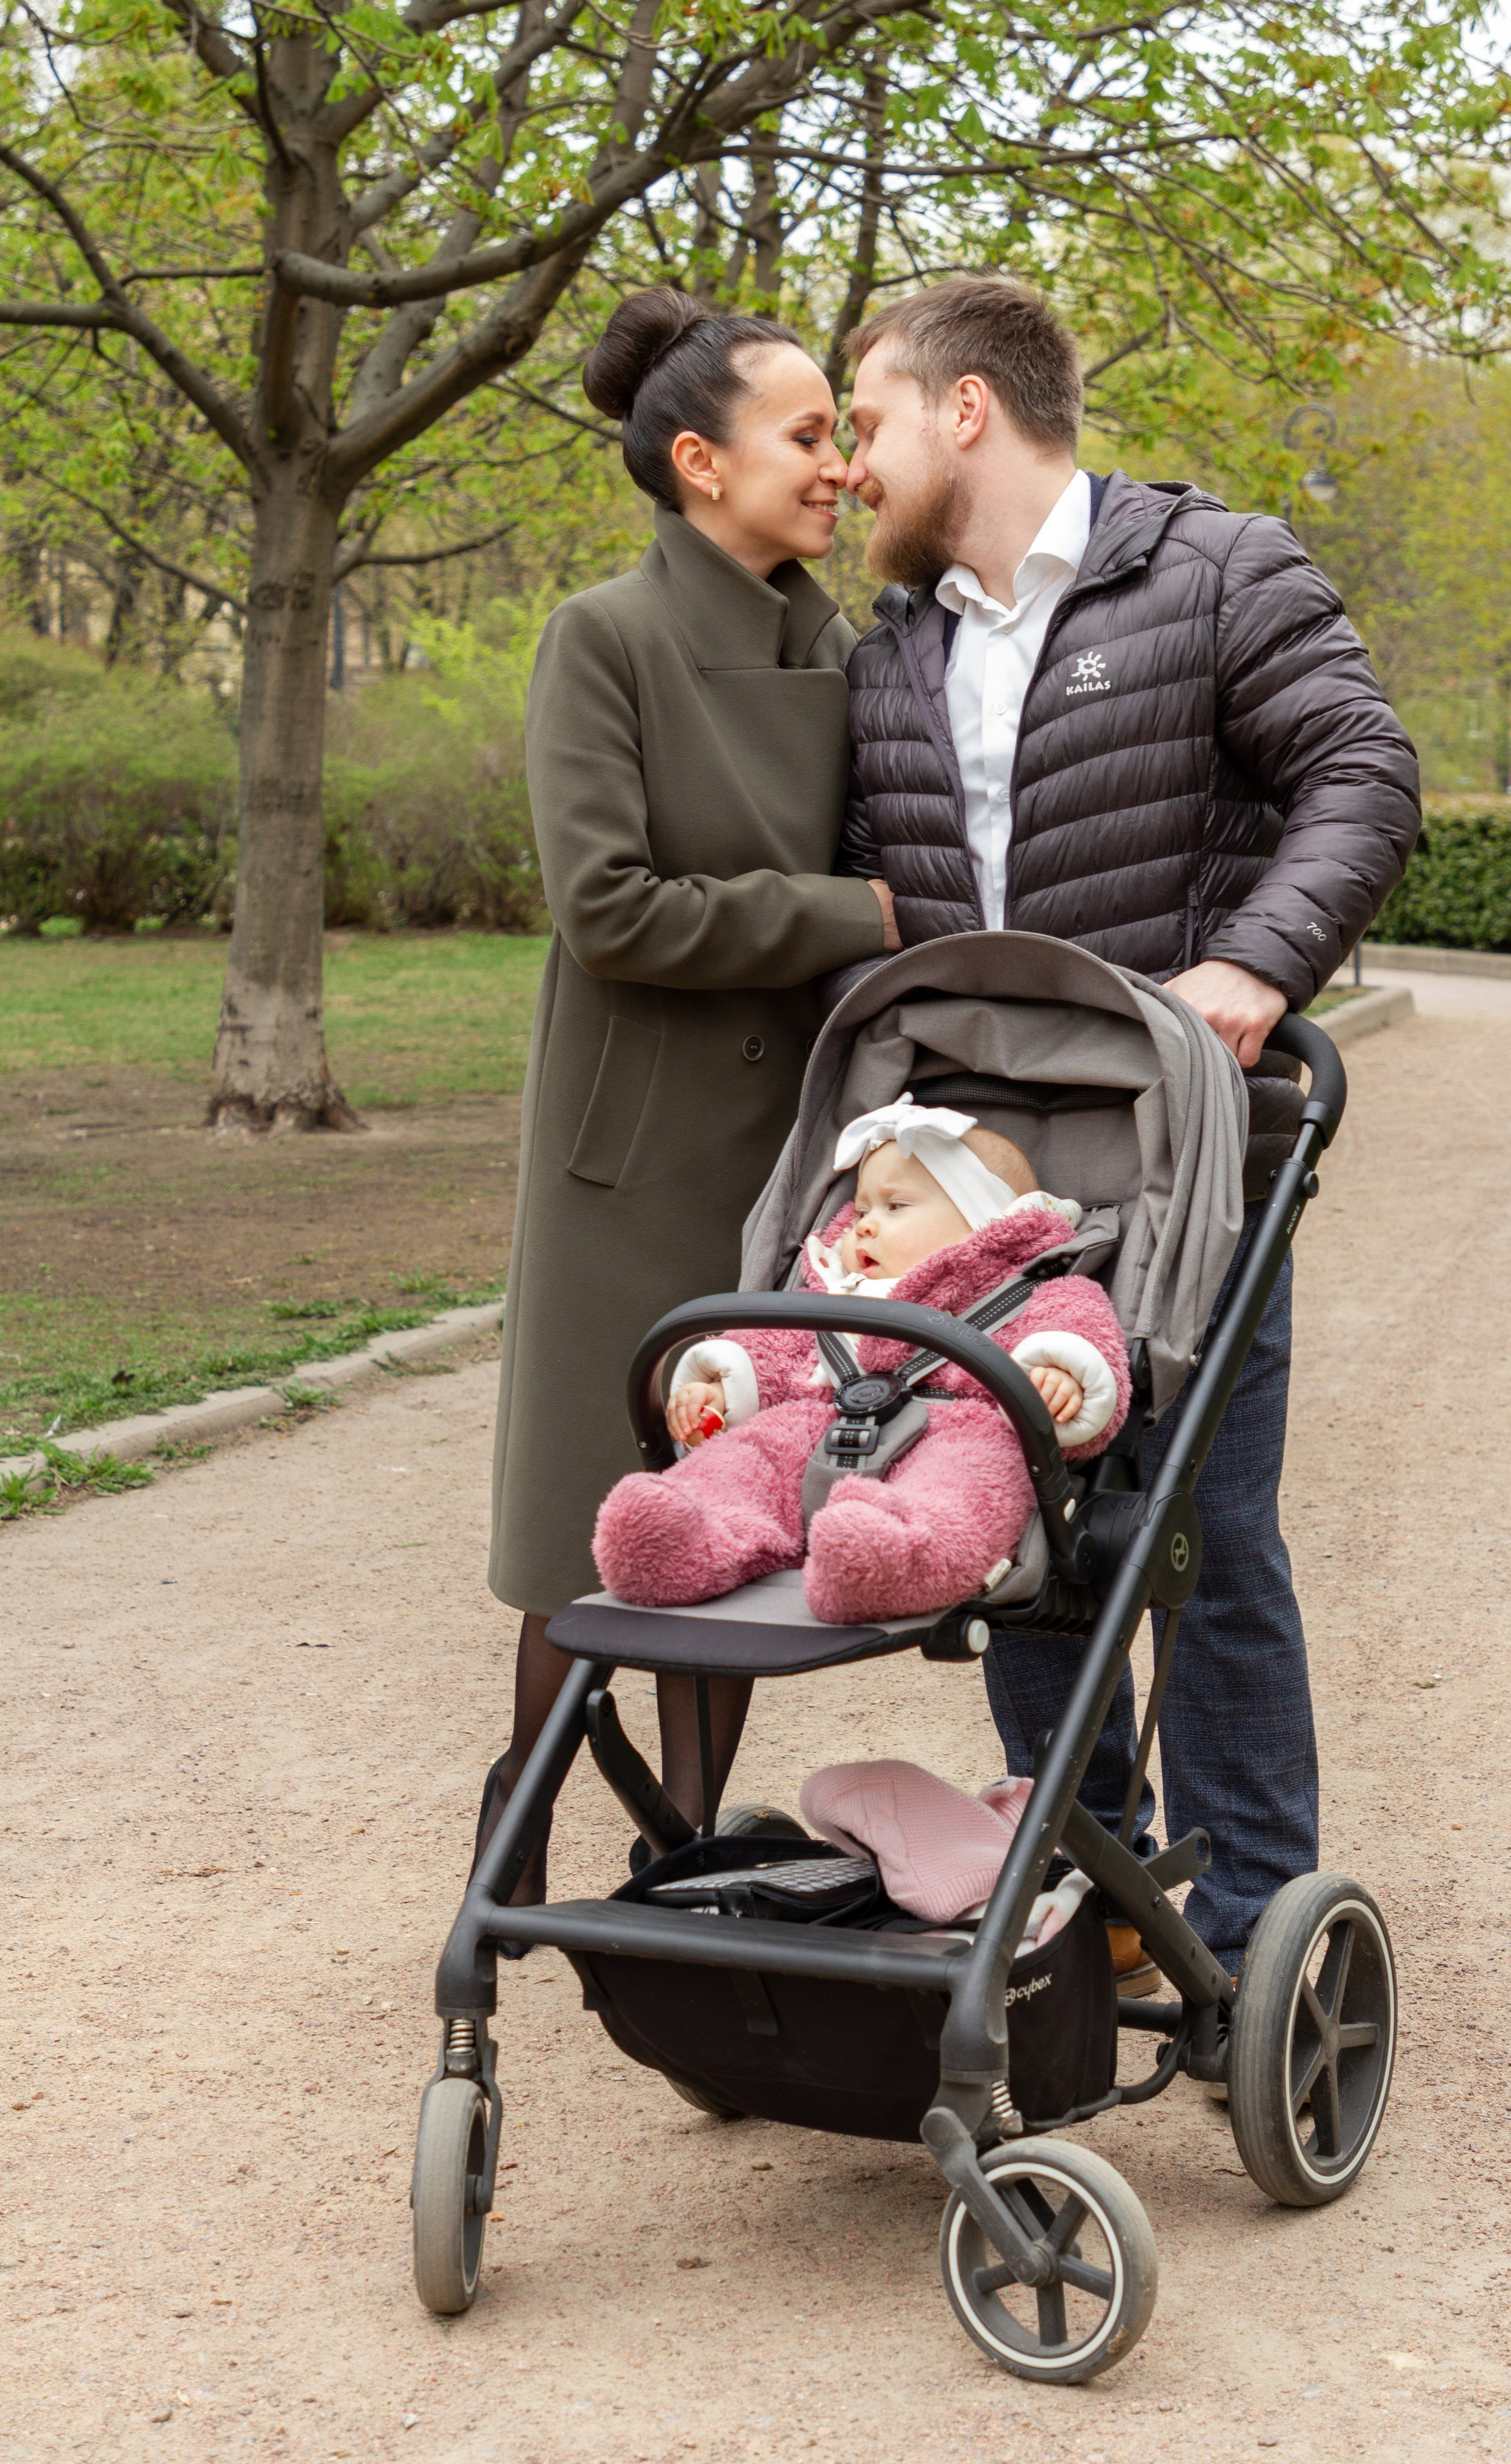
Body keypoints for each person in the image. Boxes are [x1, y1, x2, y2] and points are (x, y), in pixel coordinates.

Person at [837, 275, 1421, 1980]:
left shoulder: (1213, 571)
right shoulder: (899, 655)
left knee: (1207, 1538)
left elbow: (1361, 775)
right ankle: (1078, 1884)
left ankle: (1250, 1930)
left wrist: (1253, 965)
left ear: (963, 410)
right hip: (989, 1187)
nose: (857, 466)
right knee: (1027, 1533)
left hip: (1189, 1158)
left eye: (868, 419)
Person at [478, 288, 899, 1918]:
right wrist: (844, 912)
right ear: (697, 463)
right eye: (808, 437)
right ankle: (510, 1841)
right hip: (633, 1162)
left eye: (840, 437)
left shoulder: (846, 651)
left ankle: (689, 1865)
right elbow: (610, 909)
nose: (841, 470)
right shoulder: (606, 636)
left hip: (786, 1165)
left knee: (720, 1533)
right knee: (582, 1532)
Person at [591, 1100, 1130, 1620]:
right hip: (815, 1425)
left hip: (954, 1427)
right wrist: (721, 1389)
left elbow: (1077, 1327)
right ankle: (680, 1535)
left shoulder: (1026, 1291)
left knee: (974, 1469)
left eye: (896, 1207)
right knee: (750, 1455)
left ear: (984, 1223)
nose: (865, 1225)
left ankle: (894, 1556)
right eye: (864, 1209)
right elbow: (772, 1351)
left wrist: (1062, 1376)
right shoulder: (831, 1291)